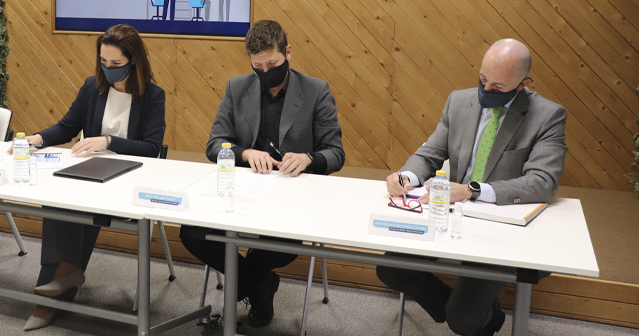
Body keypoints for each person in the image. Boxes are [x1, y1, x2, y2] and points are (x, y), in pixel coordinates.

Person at [377, 38, 567, 336]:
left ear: (523, 84)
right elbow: (429, 154)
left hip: (501, 227)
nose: (486, 90)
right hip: (449, 216)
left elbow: (542, 182)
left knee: (463, 321)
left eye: (498, 87)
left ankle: (472, 318)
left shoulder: (547, 116)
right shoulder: (459, 102)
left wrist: (471, 190)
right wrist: (406, 177)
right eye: (482, 80)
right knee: (390, 269)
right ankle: (464, 311)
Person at [178, 20, 345, 328]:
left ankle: (249, 283)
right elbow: (214, 144)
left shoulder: (315, 91)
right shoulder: (237, 87)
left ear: (288, 52)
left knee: (280, 246)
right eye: (258, 66)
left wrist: (308, 158)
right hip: (243, 191)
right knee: (191, 233)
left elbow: (335, 153)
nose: (266, 72)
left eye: (273, 64)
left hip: (292, 194)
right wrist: (245, 153)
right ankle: (260, 284)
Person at [15, 24, 165, 331]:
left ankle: (53, 294)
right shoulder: (92, 87)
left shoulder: (153, 96)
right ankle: (65, 275)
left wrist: (109, 141)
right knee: (56, 194)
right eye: (103, 62)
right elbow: (67, 127)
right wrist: (37, 138)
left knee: (79, 200)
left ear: (134, 60)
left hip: (129, 178)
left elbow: (151, 148)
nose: (108, 69)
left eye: (116, 63)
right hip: (91, 172)